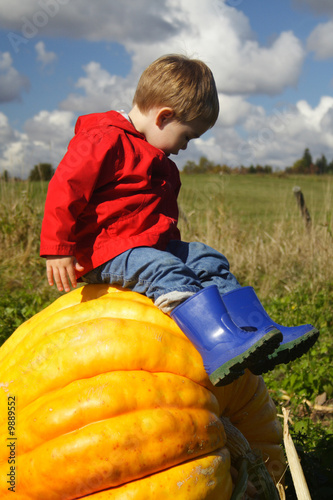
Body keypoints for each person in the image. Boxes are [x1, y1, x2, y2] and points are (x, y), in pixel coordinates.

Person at [40, 54, 318, 386]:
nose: (185, 147)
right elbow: (66, 188)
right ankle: (217, 345)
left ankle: (257, 333)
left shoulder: (156, 157)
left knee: (207, 258)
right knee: (164, 269)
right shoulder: (104, 139)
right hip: (107, 250)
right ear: (164, 116)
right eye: (187, 136)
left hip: (146, 247)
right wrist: (58, 248)